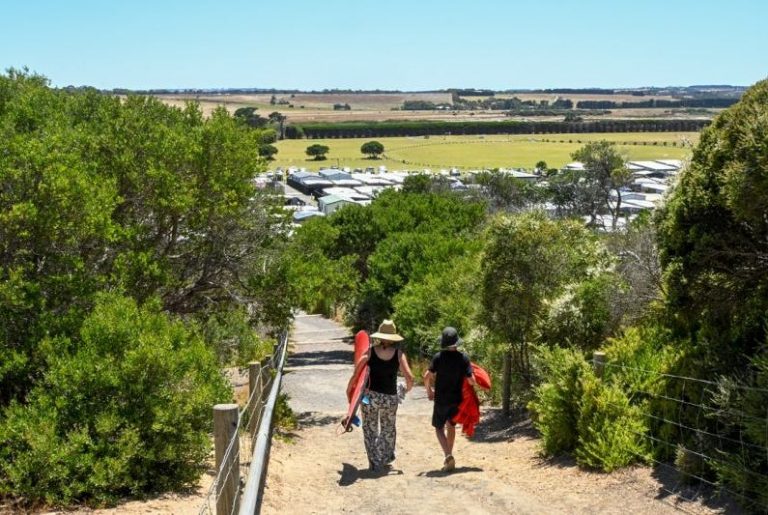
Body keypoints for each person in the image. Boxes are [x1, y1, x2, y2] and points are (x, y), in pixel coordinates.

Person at [346, 319, 414, 471]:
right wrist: (405, 389)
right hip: (390, 398)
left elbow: (357, 373)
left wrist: (349, 392)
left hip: (370, 398)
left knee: (370, 429)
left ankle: (374, 461)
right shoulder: (398, 354)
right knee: (388, 429)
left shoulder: (370, 352)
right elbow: (410, 377)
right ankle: (384, 458)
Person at [424, 326, 475, 472]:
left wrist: (429, 391)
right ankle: (449, 457)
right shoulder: (463, 358)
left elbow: (426, 376)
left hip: (441, 399)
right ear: (456, 342)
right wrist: (474, 383)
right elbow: (471, 380)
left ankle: (447, 455)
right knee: (451, 426)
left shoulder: (438, 357)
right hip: (456, 400)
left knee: (439, 428)